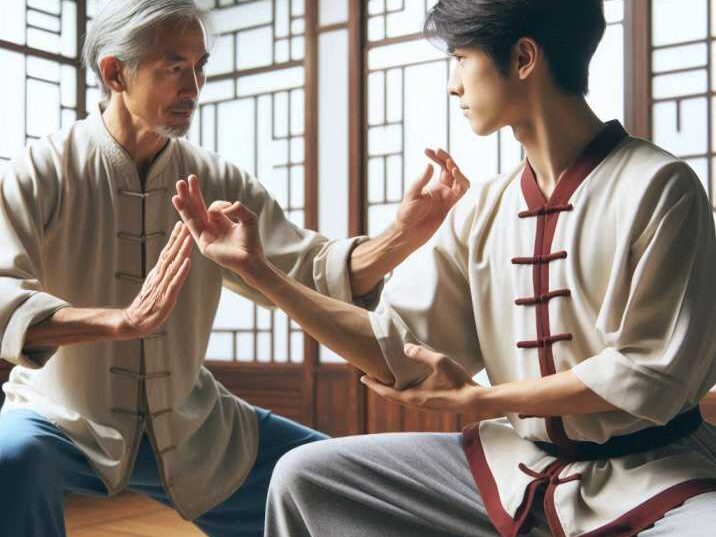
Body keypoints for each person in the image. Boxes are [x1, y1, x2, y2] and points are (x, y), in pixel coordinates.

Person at [173, 0, 716, 535]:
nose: (453, 84)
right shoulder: (484, 209)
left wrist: (484, 400)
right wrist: (260, 271)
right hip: (517, 468)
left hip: (657, 474)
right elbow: (395, 349)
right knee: (304, 476)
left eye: (461, 58)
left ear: (524, 58)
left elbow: (650, 376)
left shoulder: (660, 187)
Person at [0, 1, 467, 536]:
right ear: (115, 72)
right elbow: (3, 296)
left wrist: (401, 236)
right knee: (8, 459)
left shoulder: (213, 179)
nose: (194, 87)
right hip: (61, 419)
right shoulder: (44, 170)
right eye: (175, 68)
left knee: (333, 477)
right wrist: (119, 322)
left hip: (193, 424)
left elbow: (310, 272)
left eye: (201, 67)